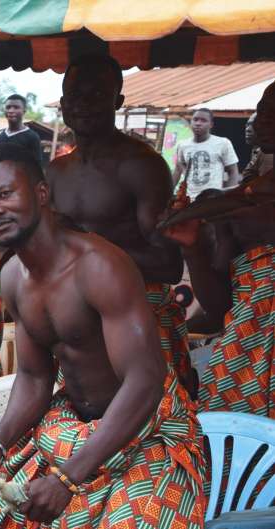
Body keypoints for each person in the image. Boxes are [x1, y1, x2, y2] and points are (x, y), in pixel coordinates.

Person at [0, 143, 206, 529]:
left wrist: (70, 477)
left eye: (5, 193)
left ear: (42, 194)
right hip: (71, 431)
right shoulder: (12, 276)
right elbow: (33, 377)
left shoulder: (99, 265)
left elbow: (145, 380)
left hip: (148, 439)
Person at [49, 54, 193, 395]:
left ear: (118, 101)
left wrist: (84, 240)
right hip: (76, 320)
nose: (83, 104)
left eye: (96, 95)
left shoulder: (142, 166)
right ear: (63, 103)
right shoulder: (57, 171)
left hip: (137, 315)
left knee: (147, 430)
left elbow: (169, 265)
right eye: (74, 95)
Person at [163, 81, 275, 418]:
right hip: (246, 358)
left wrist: (197, 210)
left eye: (272, 111)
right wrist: (192, 246)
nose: (262, 119)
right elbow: (218, 308)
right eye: (263, 109)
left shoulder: (244, 202)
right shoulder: (238, 205)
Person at [173, 108, 241, 200]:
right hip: (188, 199)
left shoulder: (223, 143)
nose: (198, 123)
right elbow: (178, 169)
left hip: (211, 200)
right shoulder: (183, 145)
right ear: (191, 121)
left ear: (211, 125)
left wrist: (227, 195)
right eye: (195, 119)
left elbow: (233, 172)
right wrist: (169, 192)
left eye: (203, 120)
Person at [0, 94, 44, 165]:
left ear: (24, 110)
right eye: (8, 107)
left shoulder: (32, 137)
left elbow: (37, 167)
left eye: (16, 107)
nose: (11, 110)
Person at [242, 111, 274, 182]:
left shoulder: (267, 153)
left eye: (253, 125)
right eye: (247, 125)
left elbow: (265, 187)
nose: (248, 129)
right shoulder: (257, 150)